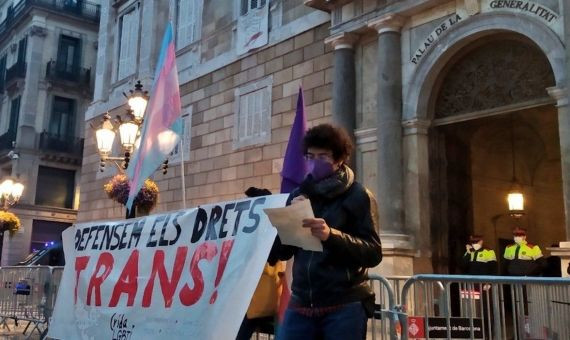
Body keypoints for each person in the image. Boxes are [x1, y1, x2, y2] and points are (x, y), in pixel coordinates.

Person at [269, 123, 382, 340]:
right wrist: (288, 221)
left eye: (323, 157)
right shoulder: (298, 193)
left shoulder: (358, 195)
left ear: (339, 159)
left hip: (344, 304)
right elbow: (280, 253)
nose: (315, 163)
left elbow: (373, 252)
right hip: (301, 302)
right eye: (310, 156)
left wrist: (330, 236)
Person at [236, 187, 286, 340]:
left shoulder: (270, 231)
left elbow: (273, 257)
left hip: (256, 299)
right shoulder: (248, 231)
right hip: (250, 298)